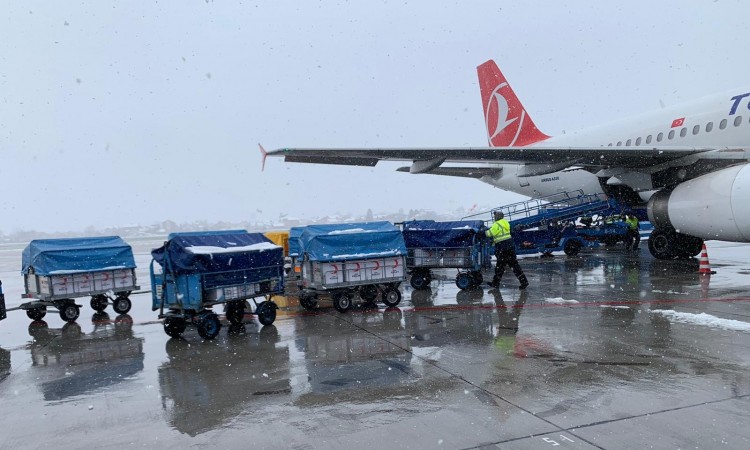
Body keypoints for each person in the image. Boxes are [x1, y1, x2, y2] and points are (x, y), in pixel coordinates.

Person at [486, 211, 529, 289]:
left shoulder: (497, 224)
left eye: (495, 216)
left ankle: (495, 283)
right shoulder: (506, 222)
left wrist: (483, 232)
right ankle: (524, 281)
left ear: (497, 217)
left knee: (500, 266)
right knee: (514, 265)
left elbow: (490, 233)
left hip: (502, 247)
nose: (494, 217)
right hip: (510, 245)